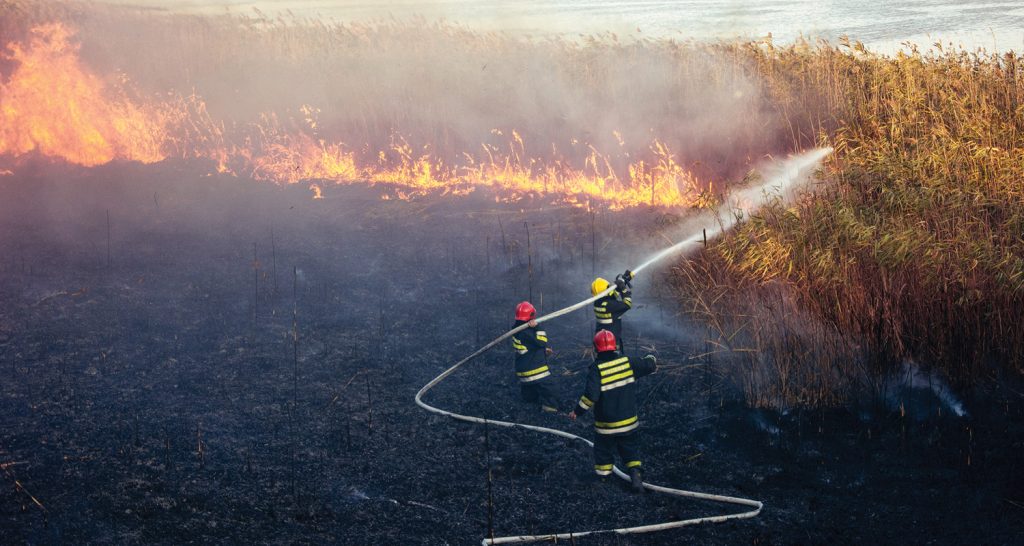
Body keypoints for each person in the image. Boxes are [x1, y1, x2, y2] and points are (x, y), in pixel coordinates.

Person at [569, 329, 657, 492]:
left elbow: (590, 396)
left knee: (603, 450)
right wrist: (651, 357)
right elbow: (649, 365)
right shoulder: (627, 362)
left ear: (596, 349)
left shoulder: (596, 369)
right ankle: (636, 475)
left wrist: (577, 411)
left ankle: (603, 478)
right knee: (630, 449)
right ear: (615, 346)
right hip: (629, 422)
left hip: (606, 425)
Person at [511, 301, 558, 413]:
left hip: (523, 368)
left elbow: (529, 345)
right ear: (531, 316)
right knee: (549, 388)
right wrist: (538, 328)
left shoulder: (516, 329)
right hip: (534, 369)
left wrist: (543, 351)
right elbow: (542, 341)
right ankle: (550, 407)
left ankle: (529, 401)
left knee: (529, 388)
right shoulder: (527, 332)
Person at [591, 269, 633, 352]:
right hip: (611, 342)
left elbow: (613, 295)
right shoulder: (609, 305)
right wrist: (624, 290)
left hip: (601, 341)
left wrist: (624, 280)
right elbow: (627, 304)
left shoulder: (598, 302)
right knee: (615, 361)